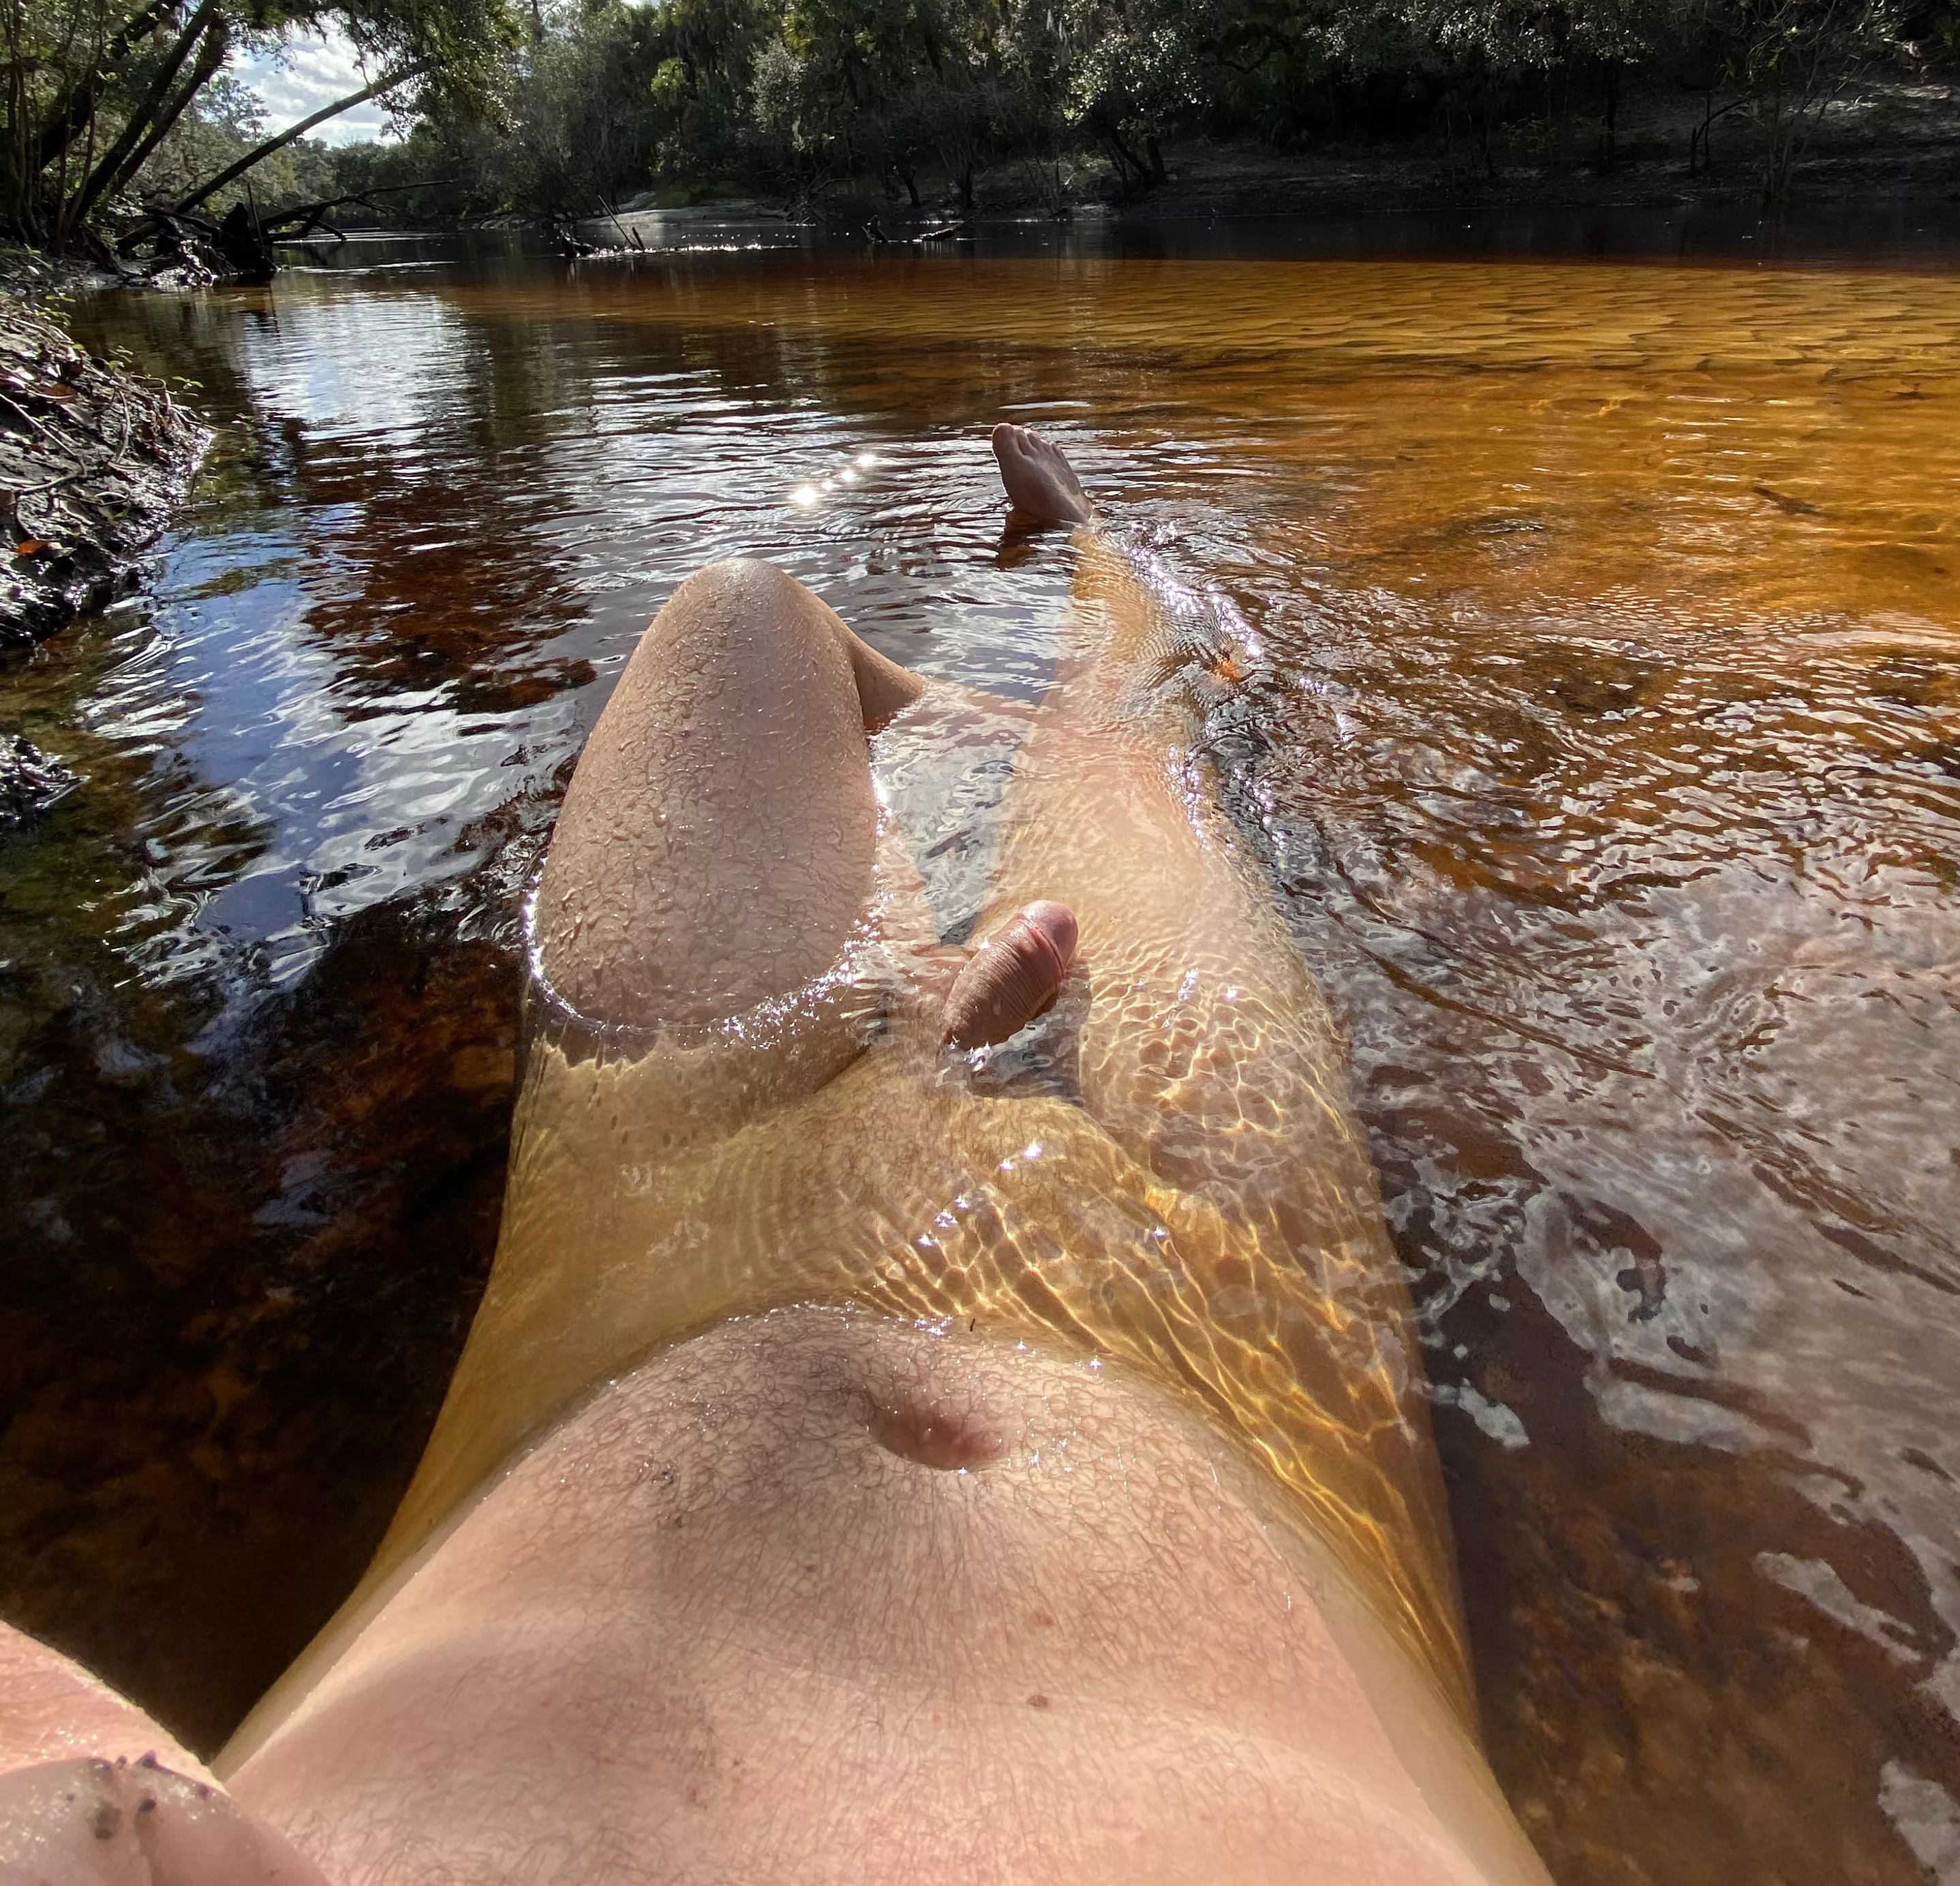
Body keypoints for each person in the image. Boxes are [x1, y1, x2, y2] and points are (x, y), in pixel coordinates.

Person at [0, 427, 1552, 1886]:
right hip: (1213, 1340)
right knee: (1140, 736)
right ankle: (1086, 599)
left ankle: (1011, 681)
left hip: (647, 1247)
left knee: (739, 622)